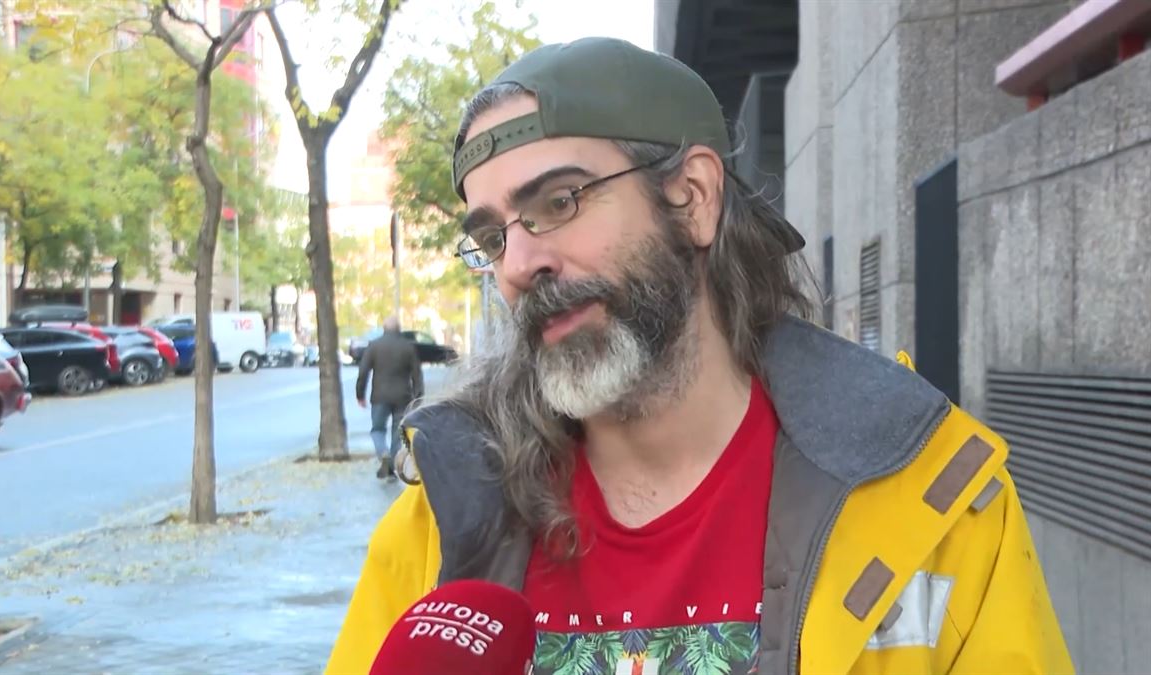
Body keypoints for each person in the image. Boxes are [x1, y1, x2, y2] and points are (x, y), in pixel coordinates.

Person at [327, 38, 1071, 675]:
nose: (518, 263)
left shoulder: (932, 496)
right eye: (492, 237)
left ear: (693, 196)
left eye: (559, 201)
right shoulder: (443, 521)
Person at [354, 317, 423, 480]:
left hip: (379, 396)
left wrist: (360, 394)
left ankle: (383, 453)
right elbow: (417, 375)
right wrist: (418, 397)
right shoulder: (408, 347)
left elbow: (363, 372)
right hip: (403, 397)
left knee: (377, 430)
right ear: (399, 329)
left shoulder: (374, 345)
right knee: (397, 432)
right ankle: (391, 467)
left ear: (384, 328)